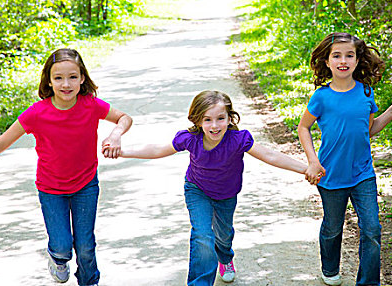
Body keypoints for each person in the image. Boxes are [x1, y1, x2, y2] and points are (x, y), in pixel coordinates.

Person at [107, 90, 314, 286]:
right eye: (207, 119)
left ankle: (225, 257)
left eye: (220, 118)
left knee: (223, 236)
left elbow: (270, 155)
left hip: (226, 194)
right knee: (203, 235)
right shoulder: (190, 139)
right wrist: (123, 152)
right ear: (197, 120)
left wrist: (306, 169)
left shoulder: (238, 140)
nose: (214, 125)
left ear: (230, 118)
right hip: (197, 190)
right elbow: (157, 149)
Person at [0, 48, 132, 286]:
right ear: (49, 81)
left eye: (73, 76)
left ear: (82, 78)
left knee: (85, 246)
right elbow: (3, 141)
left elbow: (124, 117)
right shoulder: (36, 114)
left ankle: (89, 281)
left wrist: (116, 134)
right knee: (62, 246)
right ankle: (58, 259)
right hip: (51, 188)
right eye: (58, 78)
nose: (66, 84)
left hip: (85, 185)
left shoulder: (90, 105)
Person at [297, 32, 392, 286]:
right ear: (326, 61)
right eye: (336, 55)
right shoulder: (321, 97)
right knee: (332, 228)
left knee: (371, 229)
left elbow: (369, 129)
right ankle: (330, 268)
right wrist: (313, 161)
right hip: (331, 174)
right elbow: (303, 128)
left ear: (358, 60)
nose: (343, 60)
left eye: (349, 55)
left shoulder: (366, 92)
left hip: (363, 174)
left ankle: (369, 282)